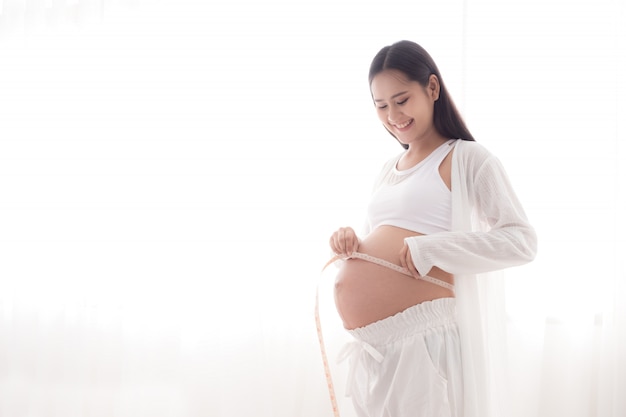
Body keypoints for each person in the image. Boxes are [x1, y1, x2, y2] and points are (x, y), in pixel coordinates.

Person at [327, 40, 537, 417]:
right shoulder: (387, 170)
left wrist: (433, 249)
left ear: (433, 89)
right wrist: (352, 244)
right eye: (381, 105)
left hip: (424, 344)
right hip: (377, 351)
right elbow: (380, 245)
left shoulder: (468, 158)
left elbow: (521, 241)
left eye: (402, 99)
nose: (393, 114)